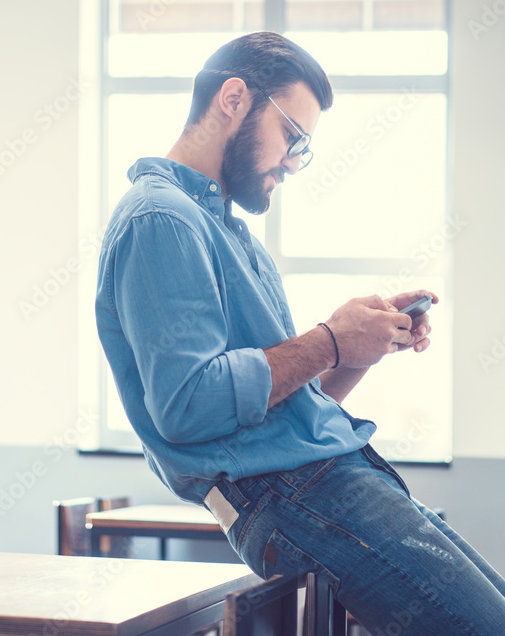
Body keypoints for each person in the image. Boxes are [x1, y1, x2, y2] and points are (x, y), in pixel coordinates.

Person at [95, 31, 505, 635]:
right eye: (294, 136)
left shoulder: (228, 234)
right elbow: (187, 408)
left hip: (323, 484)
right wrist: (331, 339)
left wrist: (361, 347)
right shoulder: (162, 219)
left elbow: (285, 408)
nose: (293, 160)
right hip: (299, 497)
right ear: (233, 99)